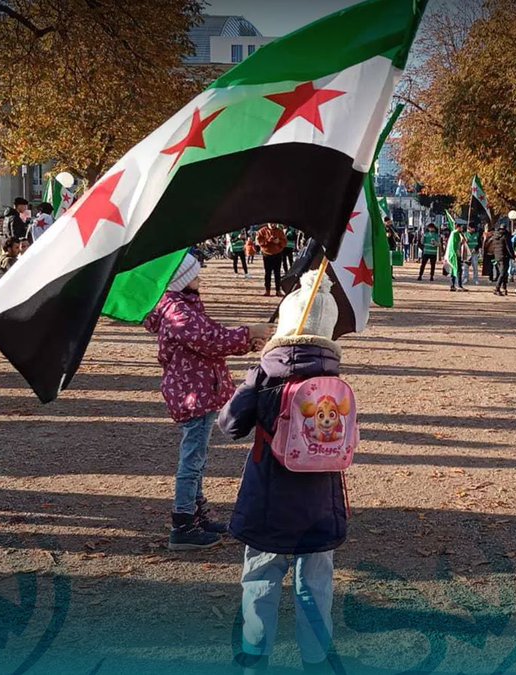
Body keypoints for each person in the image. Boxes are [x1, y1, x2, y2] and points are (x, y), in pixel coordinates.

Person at [218, 270, 348, 675]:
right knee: (316, 581)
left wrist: (250, 384)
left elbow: (230, 424)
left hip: (269, 491)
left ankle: (255, 657)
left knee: (261, 574)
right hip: (321, 496)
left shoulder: (265, 374)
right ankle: (316, 659)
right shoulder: (333, 377)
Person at [144, 255, 269, 551]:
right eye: (195, 274)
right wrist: (248, 333)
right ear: (180, 279)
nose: (200, 279)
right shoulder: (178, 311)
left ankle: (196, 512)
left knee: (197, 458)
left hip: (200, 390)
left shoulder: (184, 306)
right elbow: (210, 339)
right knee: (192, 459)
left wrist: (245, 340)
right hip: (193, 393)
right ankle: (183, 521)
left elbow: (212, 340)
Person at [256, 223, 288, 297]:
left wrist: (279, 241)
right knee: (268, 273)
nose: (273, 224)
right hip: (267, 255)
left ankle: (278, 290)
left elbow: (285, 242)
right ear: (268, 223)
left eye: (274, 223)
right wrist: (268, 240)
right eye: (271, 223)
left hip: (278, 254)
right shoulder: (262, 231)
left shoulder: (280, 231)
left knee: (277, 273)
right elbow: (258, 242)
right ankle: (267, 290)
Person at [486, 222, 514, 296]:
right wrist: (513, 256)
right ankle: (497, 288)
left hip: (497, 256)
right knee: (503, 273)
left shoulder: (495, 236)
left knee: (503, 273)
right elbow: (509, 247)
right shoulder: (505, 236)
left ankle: (504, 288)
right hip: (504, 257)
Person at [446, 220, 470, 291]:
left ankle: (453, 285)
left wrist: (462, 242)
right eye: (462, 227)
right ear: (458, 227)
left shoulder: (456, 233)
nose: (462, 229)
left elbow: (458, 244)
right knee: (458, 270)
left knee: (454, 270)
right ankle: (459, 285)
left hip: (455, 254)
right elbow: (454, 245)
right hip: (455, 254)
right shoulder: (455, 233)